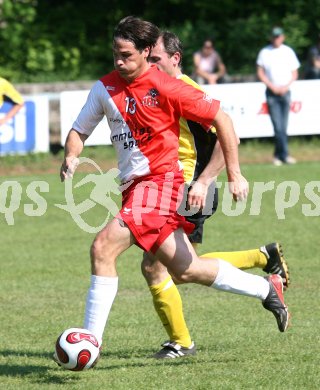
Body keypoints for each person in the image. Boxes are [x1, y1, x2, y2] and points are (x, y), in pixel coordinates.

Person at [58, 16, 290, 364]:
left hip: (162, 186)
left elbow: (223, 121)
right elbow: (79, 130)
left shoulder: (166, 86)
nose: (118, 61)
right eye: (115, 54)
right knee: (185, 269)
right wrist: (71, 157)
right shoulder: (104, 89)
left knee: (103, 247)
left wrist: (234, 173)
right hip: (133, 188)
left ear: (146, 51)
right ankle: (265, 288)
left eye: (126, 54)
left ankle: (90, 343)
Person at [143, 31, 290, 359]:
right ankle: (263, 258)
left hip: (191, 189)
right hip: (174, 187)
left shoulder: (187, 91)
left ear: (175, 59)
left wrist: (208, 180)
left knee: (161, 267)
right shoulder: (159, 90)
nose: (150, 65)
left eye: (156, 59)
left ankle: (181, 343)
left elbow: (230, 135)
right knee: (182, 267)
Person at [256, 27, 300, 166]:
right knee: (277, 126)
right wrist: (272, 86)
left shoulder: (288, 51)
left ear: (282, 37)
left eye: (278, 36)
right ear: (271, 38)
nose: (276, 39)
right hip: (271, 92)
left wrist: (285, 86)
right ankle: (284, 155)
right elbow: (260, 72)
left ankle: (279, 155)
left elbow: (294, 72)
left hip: (285, 91)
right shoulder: (264, 52)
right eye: (274, 36)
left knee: (283, 126)